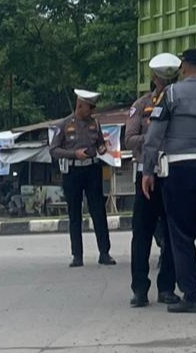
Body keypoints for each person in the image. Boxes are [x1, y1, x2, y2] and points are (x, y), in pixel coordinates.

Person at [142, 48, 196, 313]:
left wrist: (148, 170)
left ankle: (191, 296)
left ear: (182, 67)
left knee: (180, 233)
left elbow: (155, 134)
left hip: (180, 168)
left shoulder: (171, 94)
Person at [124, 53, 181, 308]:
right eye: (163, 78)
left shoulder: (181, 103)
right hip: (145, 175)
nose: (166, 82)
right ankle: (139, 288)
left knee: (172, 232)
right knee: (142, 233)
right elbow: (130, 138)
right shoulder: (141, 104)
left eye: (171, 77)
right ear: (154, 78)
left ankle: (167, 287)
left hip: (172, 174)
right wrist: (153, 139)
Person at [48, 89, 115, 267]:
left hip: (92, 169)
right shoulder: (64, 124)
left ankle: (104, 253)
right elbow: (53, 150)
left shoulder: (95, 123)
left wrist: (102, 148)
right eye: (89, 107)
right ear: (80, 105)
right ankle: (77, 255)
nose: (92, 111)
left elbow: (100, 142)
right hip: (72, 171)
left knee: (98, 212)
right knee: (75, 214)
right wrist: (73, 154)